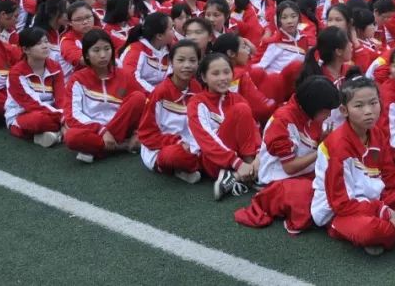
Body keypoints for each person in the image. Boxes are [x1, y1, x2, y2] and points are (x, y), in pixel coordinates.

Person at [310, 76, 395, 255]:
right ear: (344, 110)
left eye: (373, 103)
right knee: (370, 232)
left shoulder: (377, 133)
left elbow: (388, 176)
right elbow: (340, 205)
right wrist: (386, 212)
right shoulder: (337, 146)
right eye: (359, 106)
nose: (368, 111)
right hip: (340, 211)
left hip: (376, 198)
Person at [235, 76, 340, 232]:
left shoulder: (307, 114)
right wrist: (321, 149)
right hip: (278, 180)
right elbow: (289, 168)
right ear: (314, 106)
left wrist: (322, 142)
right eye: (327, 110)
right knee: (306, 195)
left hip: (305, 173)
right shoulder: (283, 121)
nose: (329, 114)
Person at [64, 29, 146, 163]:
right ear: (86, 55)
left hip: (122, 127)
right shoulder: (77, 79)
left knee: (138, 97)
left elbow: (143, 105)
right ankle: (122, 147)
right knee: (71, 137)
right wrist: (101, 131)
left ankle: (100, 150)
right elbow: (72, 115)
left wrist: (137, 132)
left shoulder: (123, 75)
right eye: (96, 50)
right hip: (94, 131)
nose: (103, 55)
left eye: (107, 49)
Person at [188, 51, 260, 200]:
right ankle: (246, 173)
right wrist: (236, 162)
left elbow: (253, 129)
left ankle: (239, 175)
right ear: (203, 77)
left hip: (241, 159)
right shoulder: (197, 103)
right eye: (215, 74)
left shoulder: (237, 98)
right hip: (212, 161)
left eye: (226, 72)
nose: (222, 78)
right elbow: (206, 139)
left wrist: (257, 158)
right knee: (242, 109)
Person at [137, 40, 204, 184]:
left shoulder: (197, 88)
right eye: (180, 60)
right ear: (171, 63)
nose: (187, 65)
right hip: (163, 147)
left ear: (198, 63)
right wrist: (179, 142)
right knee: (173, 156)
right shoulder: (160, 93)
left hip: (194, 145)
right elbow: (146, 134)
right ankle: (196, 166)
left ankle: (192, 167)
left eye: (192, 60)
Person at [5, 27, 67, 146]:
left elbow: (61, 98)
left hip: (53, 113)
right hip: (23, 113)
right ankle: (62, 131)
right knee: (39, 120)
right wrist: (64, 117)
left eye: (45, 41)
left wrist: (64, 113)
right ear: (26, 49)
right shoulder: (16, 73)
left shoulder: (55, 66)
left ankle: (55, 134)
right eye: (38, 43)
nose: (45, 46)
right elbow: (32, 104)